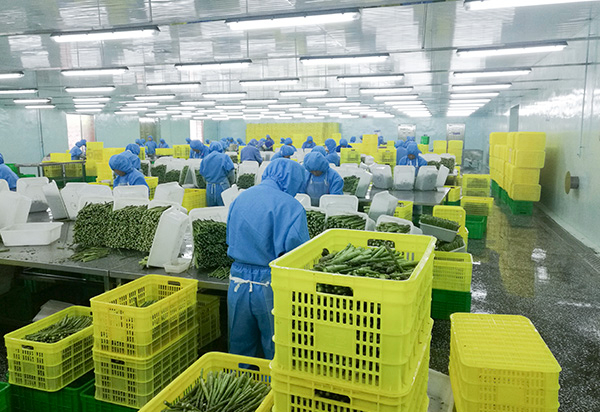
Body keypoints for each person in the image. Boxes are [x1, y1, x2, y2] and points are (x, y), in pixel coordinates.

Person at [227, 158, 310, 359]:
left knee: (239, 348)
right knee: (276, 347)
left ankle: (241, 385)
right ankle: (272, 387)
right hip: (270, 285)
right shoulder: (291, 207)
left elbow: (229, 236)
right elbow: (298, 255)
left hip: (237, 282)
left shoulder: (240, 198)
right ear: (292, 181)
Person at [199, 142, 235, 206]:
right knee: (223, 210)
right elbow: (231, 173)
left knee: (212, 211)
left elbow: (203, 175)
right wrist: (231, 182)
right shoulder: (225, 157)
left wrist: (209, 181)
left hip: (209, 188)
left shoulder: (205, 159)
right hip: (222, 187)